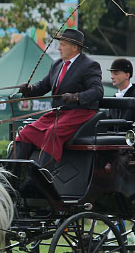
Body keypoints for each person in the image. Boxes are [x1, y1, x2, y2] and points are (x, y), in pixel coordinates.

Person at [11, 28, 104, 164]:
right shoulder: (57, 64)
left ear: (74, 47)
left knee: (53, 133)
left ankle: (43, 173)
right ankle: (12, 171)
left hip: (80, 112)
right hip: (58, 114)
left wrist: (76, 97)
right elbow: (43, 86)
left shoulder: (89, 65)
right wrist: (29, 89)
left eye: (62, 45)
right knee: (26, 132)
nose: (58, 48)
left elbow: (97, 91)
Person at [108, 57, 135, 124]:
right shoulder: (114, 97)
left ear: (127, 75)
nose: (112, 77)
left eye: (116, 73)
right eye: (111, 73)